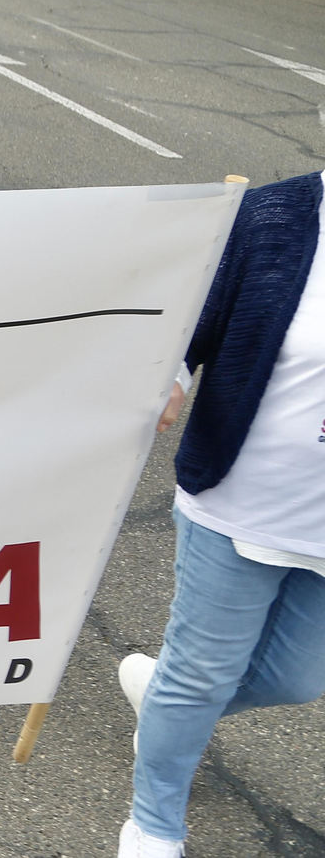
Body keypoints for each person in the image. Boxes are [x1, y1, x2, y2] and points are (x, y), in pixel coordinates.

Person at [117, 171, 325, 858]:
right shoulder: (275, 215)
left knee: (299, 677)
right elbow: (193, 319)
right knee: (205, 669)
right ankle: (153, 824)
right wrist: (166, 377)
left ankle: (166, 695)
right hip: (242, 499)